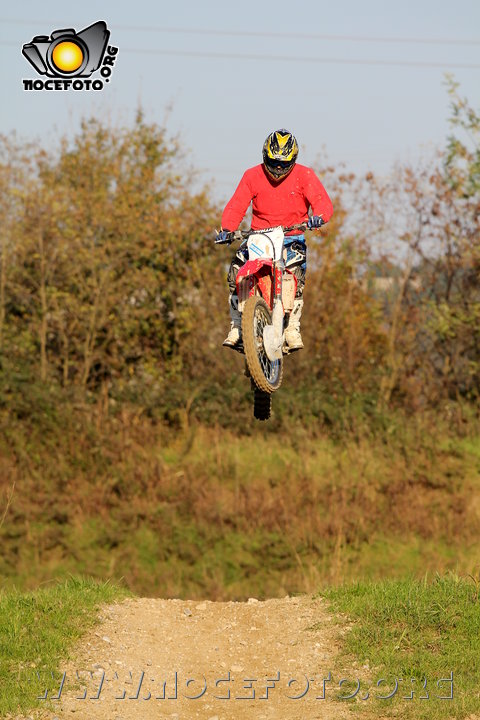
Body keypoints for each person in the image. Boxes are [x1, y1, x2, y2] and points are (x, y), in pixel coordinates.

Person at [216, 129, 333, 352]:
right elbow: (236, 206)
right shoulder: (252, 176)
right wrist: (227, 229)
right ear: (264, 156)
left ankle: (292, 328)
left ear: (293, 160)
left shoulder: (304, 175)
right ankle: (237, 325)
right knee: (236, 269)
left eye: (283, 164)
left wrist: (318, 217)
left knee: (296, 271)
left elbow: (323, 203)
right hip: (258, 237)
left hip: (291, 236)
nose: (278, 169)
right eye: (273, 162)